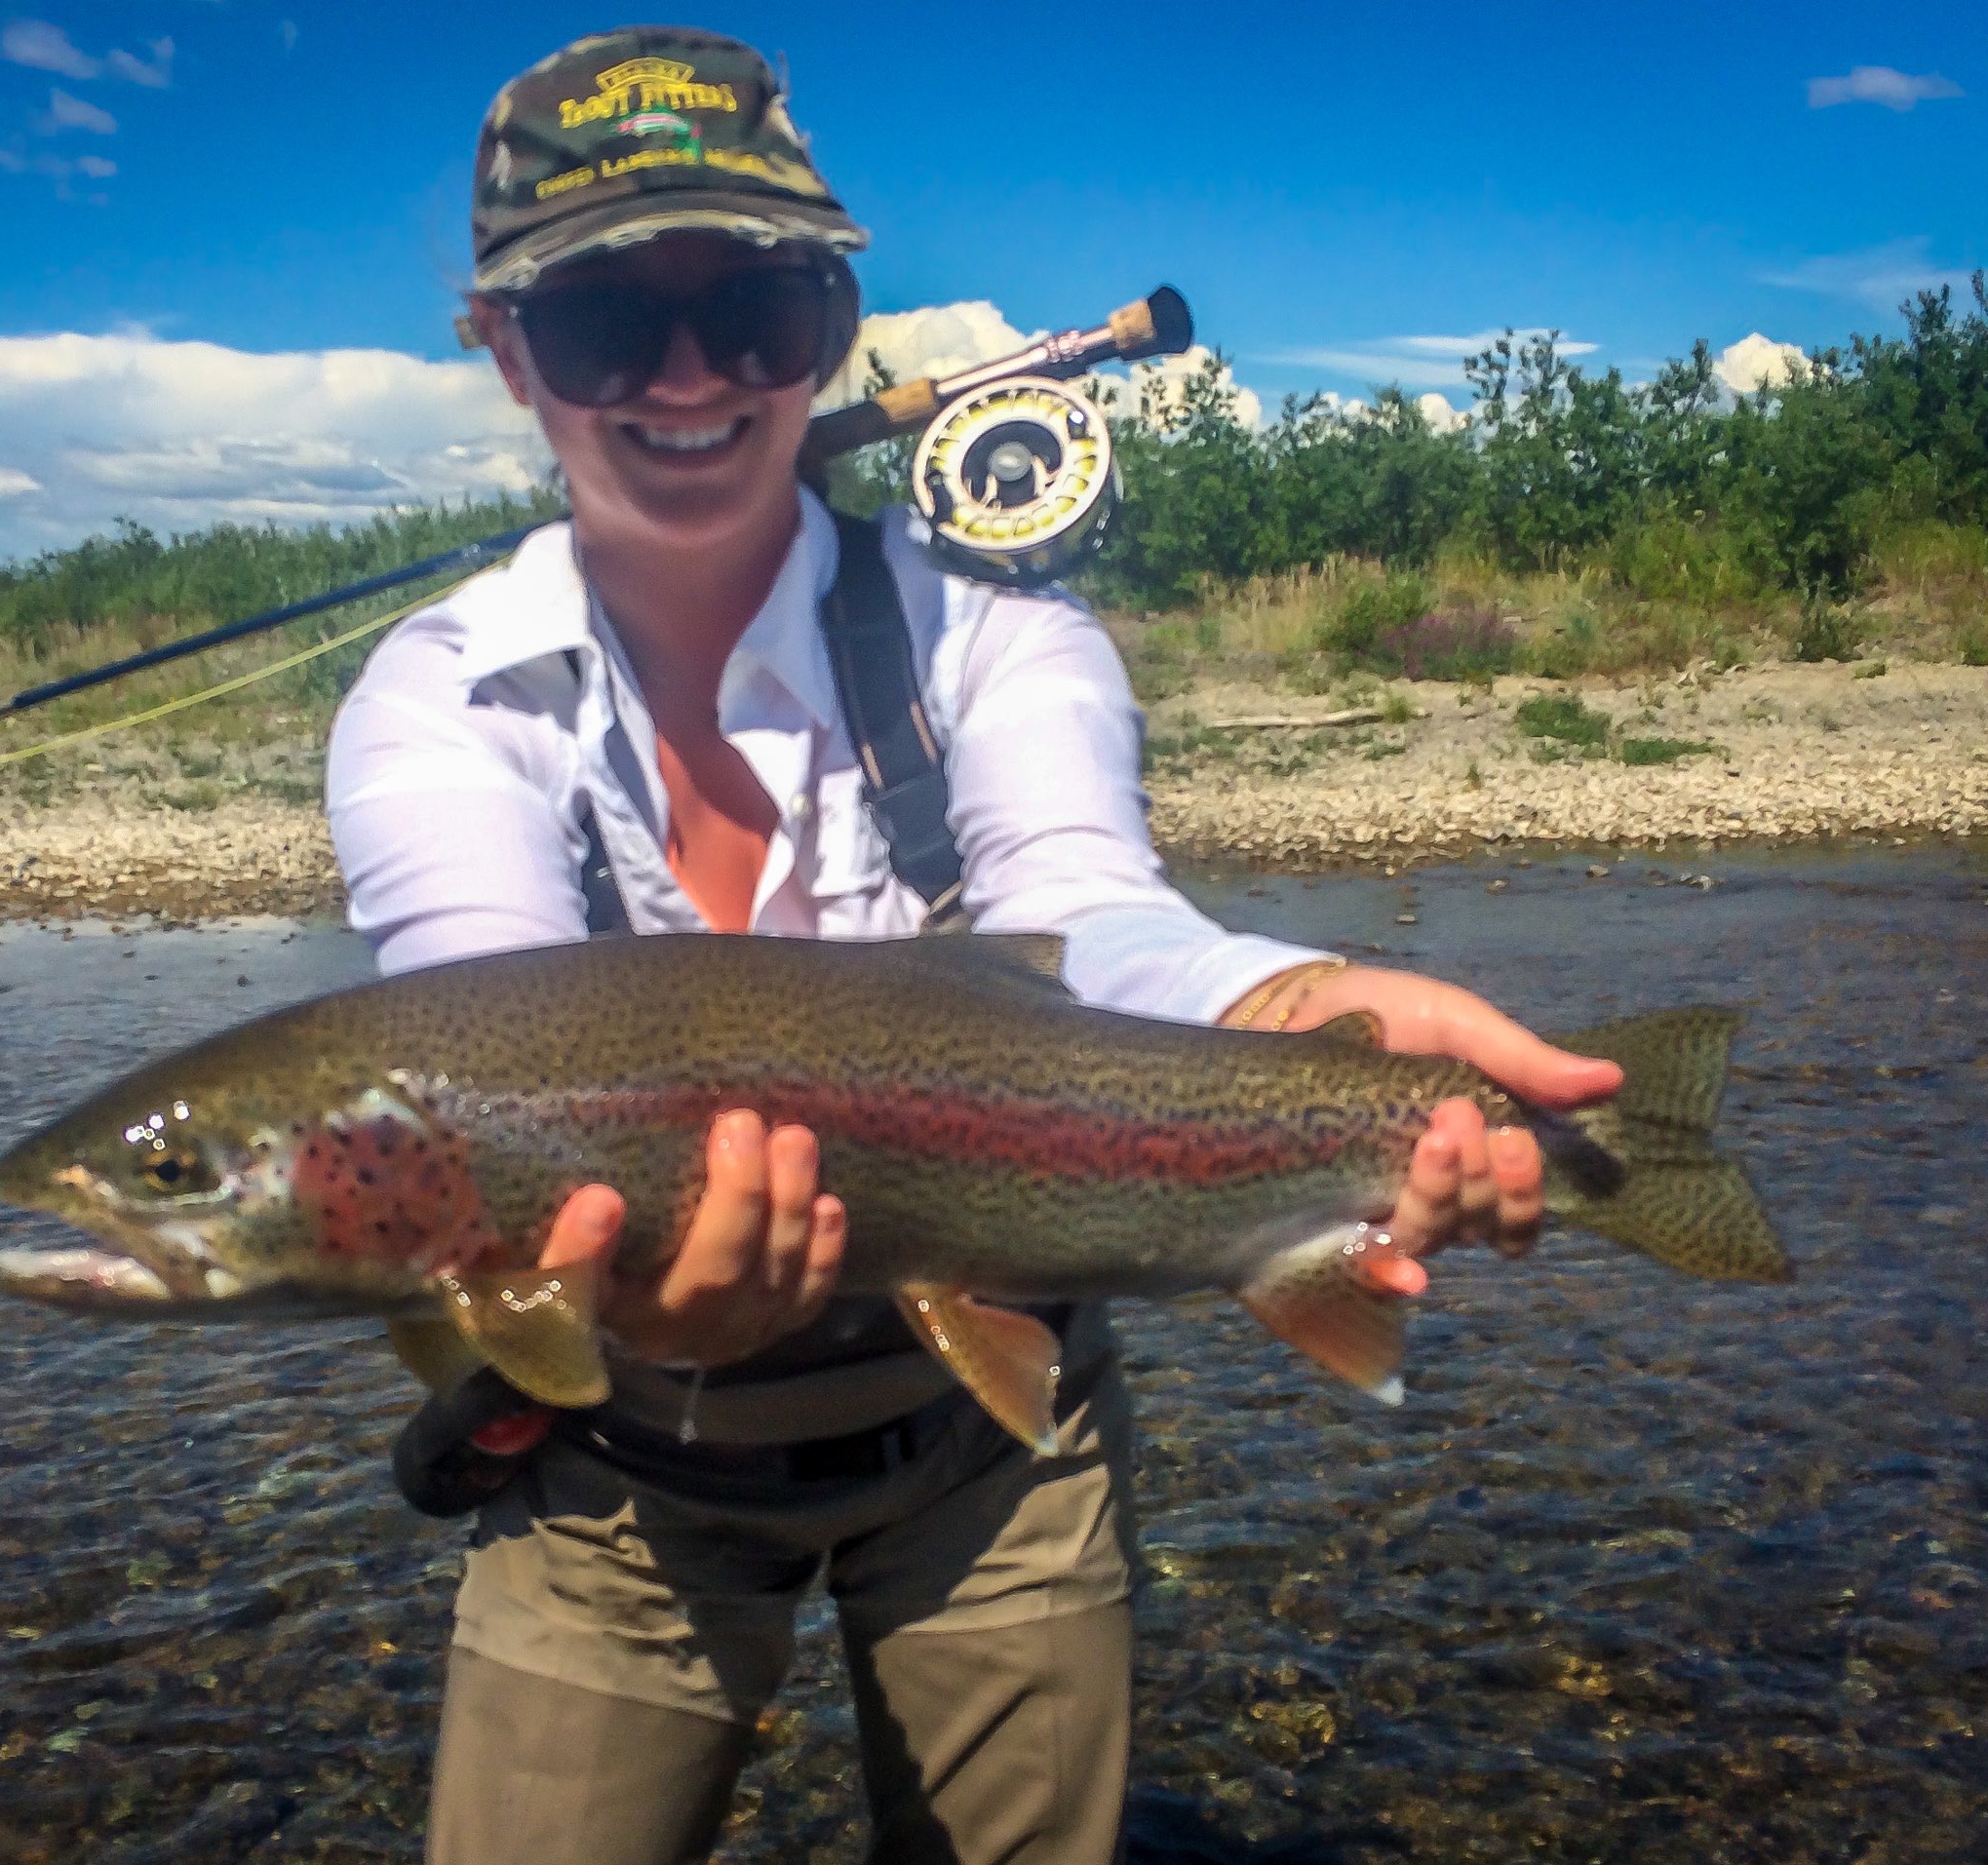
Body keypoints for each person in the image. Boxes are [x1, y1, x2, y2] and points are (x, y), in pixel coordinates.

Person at [325, 28, 1622, 1865]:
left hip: (993, 1445)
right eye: (608, 321)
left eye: (757, 308)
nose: (689, 375)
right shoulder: (442, 699)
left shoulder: (997, 638)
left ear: (834, 323)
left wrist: (1291, 1004)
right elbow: (479, 1042)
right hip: (609, 1471)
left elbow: (1095, 918)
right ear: (507, 349)